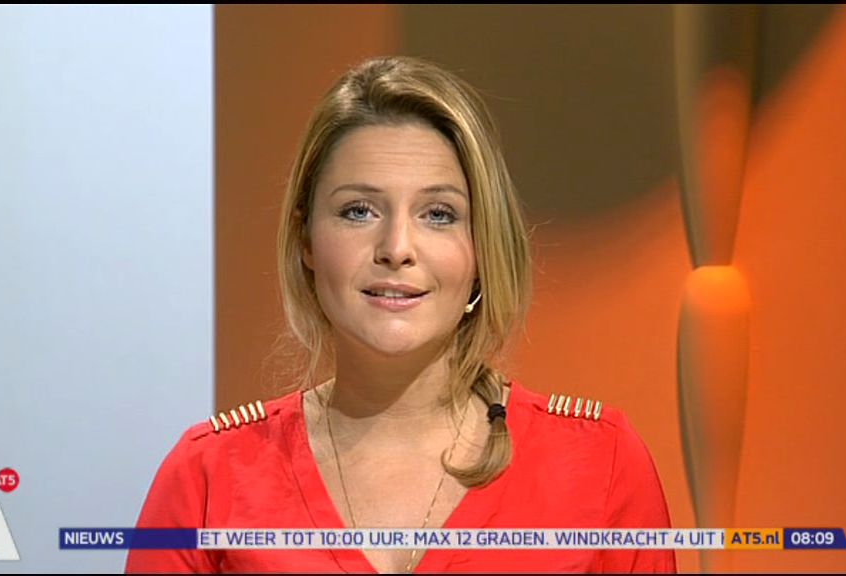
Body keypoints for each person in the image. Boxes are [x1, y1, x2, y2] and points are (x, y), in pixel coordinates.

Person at [126, 56, 676, 574]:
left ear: (483, 248)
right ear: (306, 240)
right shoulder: (208, 475)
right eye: (358, 211)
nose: (396, 248)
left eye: (438, 214)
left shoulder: (602, 463)